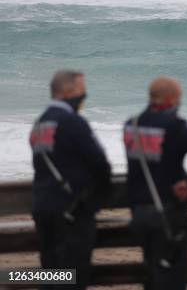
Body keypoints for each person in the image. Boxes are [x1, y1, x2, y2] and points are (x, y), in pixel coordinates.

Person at [123, 76, 187, 290]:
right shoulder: (175, 127)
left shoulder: (131, 125)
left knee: (152, 271)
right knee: (172, 276)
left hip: (139, 213)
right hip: (167, 212)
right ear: (172, 99)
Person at [29, 70, 111, 289]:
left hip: (43, 208)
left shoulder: (39, 124)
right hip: (71, 211)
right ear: (67, 91)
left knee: (52, 274)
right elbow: (100, 165)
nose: (84, 95)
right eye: (81, 90)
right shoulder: (72, 122)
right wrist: (95, 202)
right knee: (72, 277)